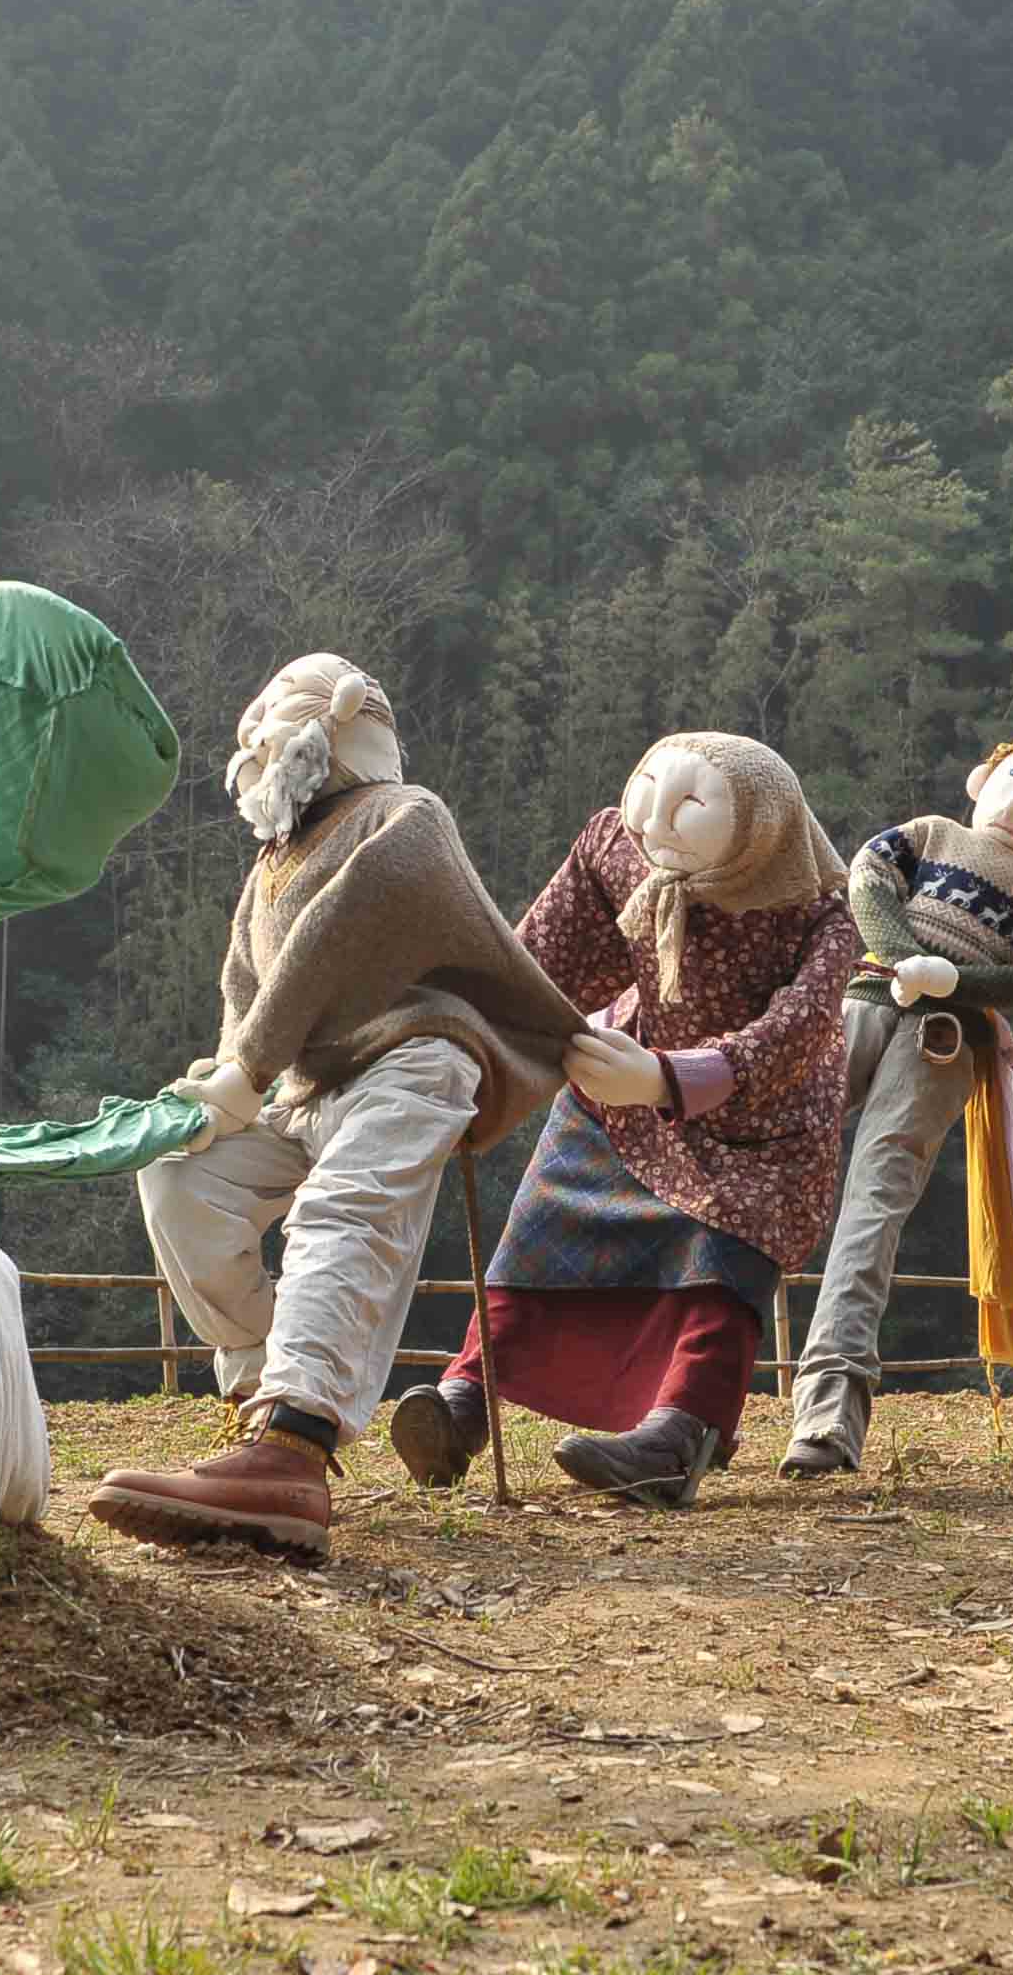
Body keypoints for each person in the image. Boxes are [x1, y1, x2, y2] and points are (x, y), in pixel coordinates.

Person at [86, 656, 588, 1563]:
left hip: (414, 1059)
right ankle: (269, 1391)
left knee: (342, 1213)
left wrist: (246, 1068)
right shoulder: (273, 863)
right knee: (179, 1174)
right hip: (301, 1084)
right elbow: (248, 986)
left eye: (269, 721)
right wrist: (221, 1083)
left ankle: (294, 1444)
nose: (251, 745)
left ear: (341, 722)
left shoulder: (406, 816)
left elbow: (329, 941)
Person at [388, 732, 858, 1509]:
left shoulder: (819, 921)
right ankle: (463, 1403)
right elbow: (544, 956)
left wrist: (672, 1078)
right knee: (539, 1235)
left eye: (690, 803)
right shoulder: (616, 848)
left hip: (760, 1131)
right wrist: (473, 1023)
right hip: (620, 1094)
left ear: (761, 827)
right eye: (649, 789)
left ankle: (679, 1434)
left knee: (720, 1273)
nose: (655, 819)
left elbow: (797, 1033)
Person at [777, 730, 1013, 1478]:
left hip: (941, 1044)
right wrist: (905, 958)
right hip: (861, 1003)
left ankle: (831, 1408)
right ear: (981, 776)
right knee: (766, 1155)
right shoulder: (928, 833)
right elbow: (865, 879)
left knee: (874, 1208)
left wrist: (954, 982)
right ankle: (690, 1375)